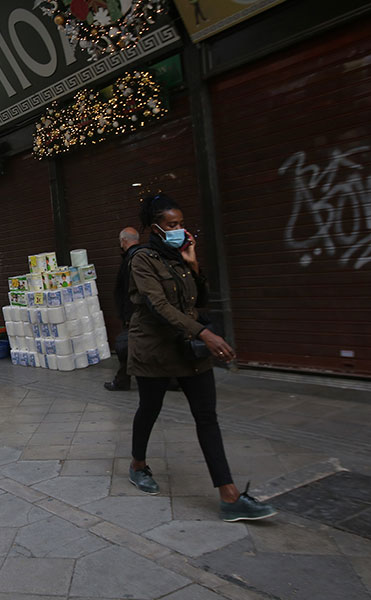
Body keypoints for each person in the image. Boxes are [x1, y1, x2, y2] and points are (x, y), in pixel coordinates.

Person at [125, 193, 276, 522]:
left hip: (189, 348)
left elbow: (200, 299)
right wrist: (205, 333)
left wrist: (194, 266)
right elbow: (159, 307)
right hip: (155, 349)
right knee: (149, 409)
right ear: (156, 228)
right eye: (172, 224)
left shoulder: (181, 257)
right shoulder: (142, 259)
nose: (180, 229)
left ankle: (229, 496)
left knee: (207, 417)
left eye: (181, 223)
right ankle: (138, 464)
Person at [104, 227, 141, 391]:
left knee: (127, 347)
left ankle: (122, 380)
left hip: (134, 313)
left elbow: (128, 291)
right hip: (142, 312)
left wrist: (127, 314)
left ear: (123, 241)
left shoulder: (131, 260)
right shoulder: (144, 256)